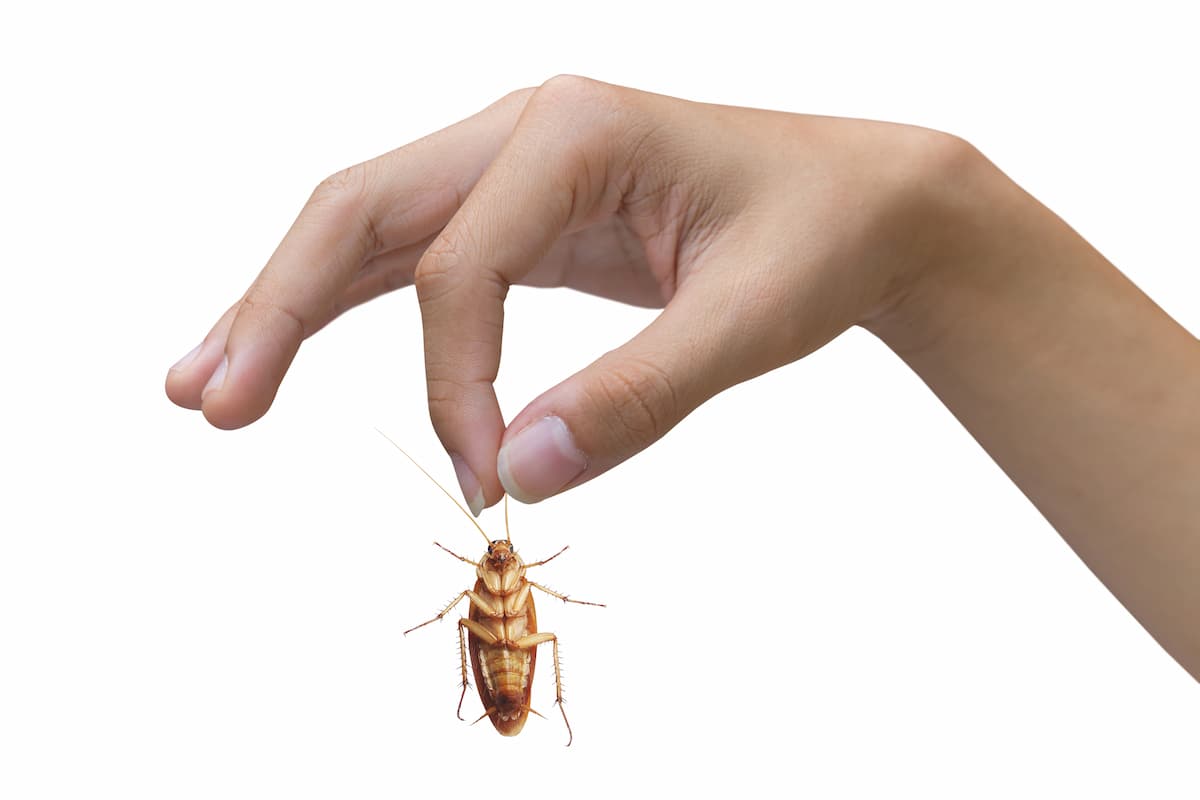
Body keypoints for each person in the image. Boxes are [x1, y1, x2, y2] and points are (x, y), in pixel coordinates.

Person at [164, 76, 1200, 681]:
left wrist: (926, 234)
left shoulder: (506, 586)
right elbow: (527, 601)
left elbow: (527, 598)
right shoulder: (508, 591)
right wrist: (924, 238)